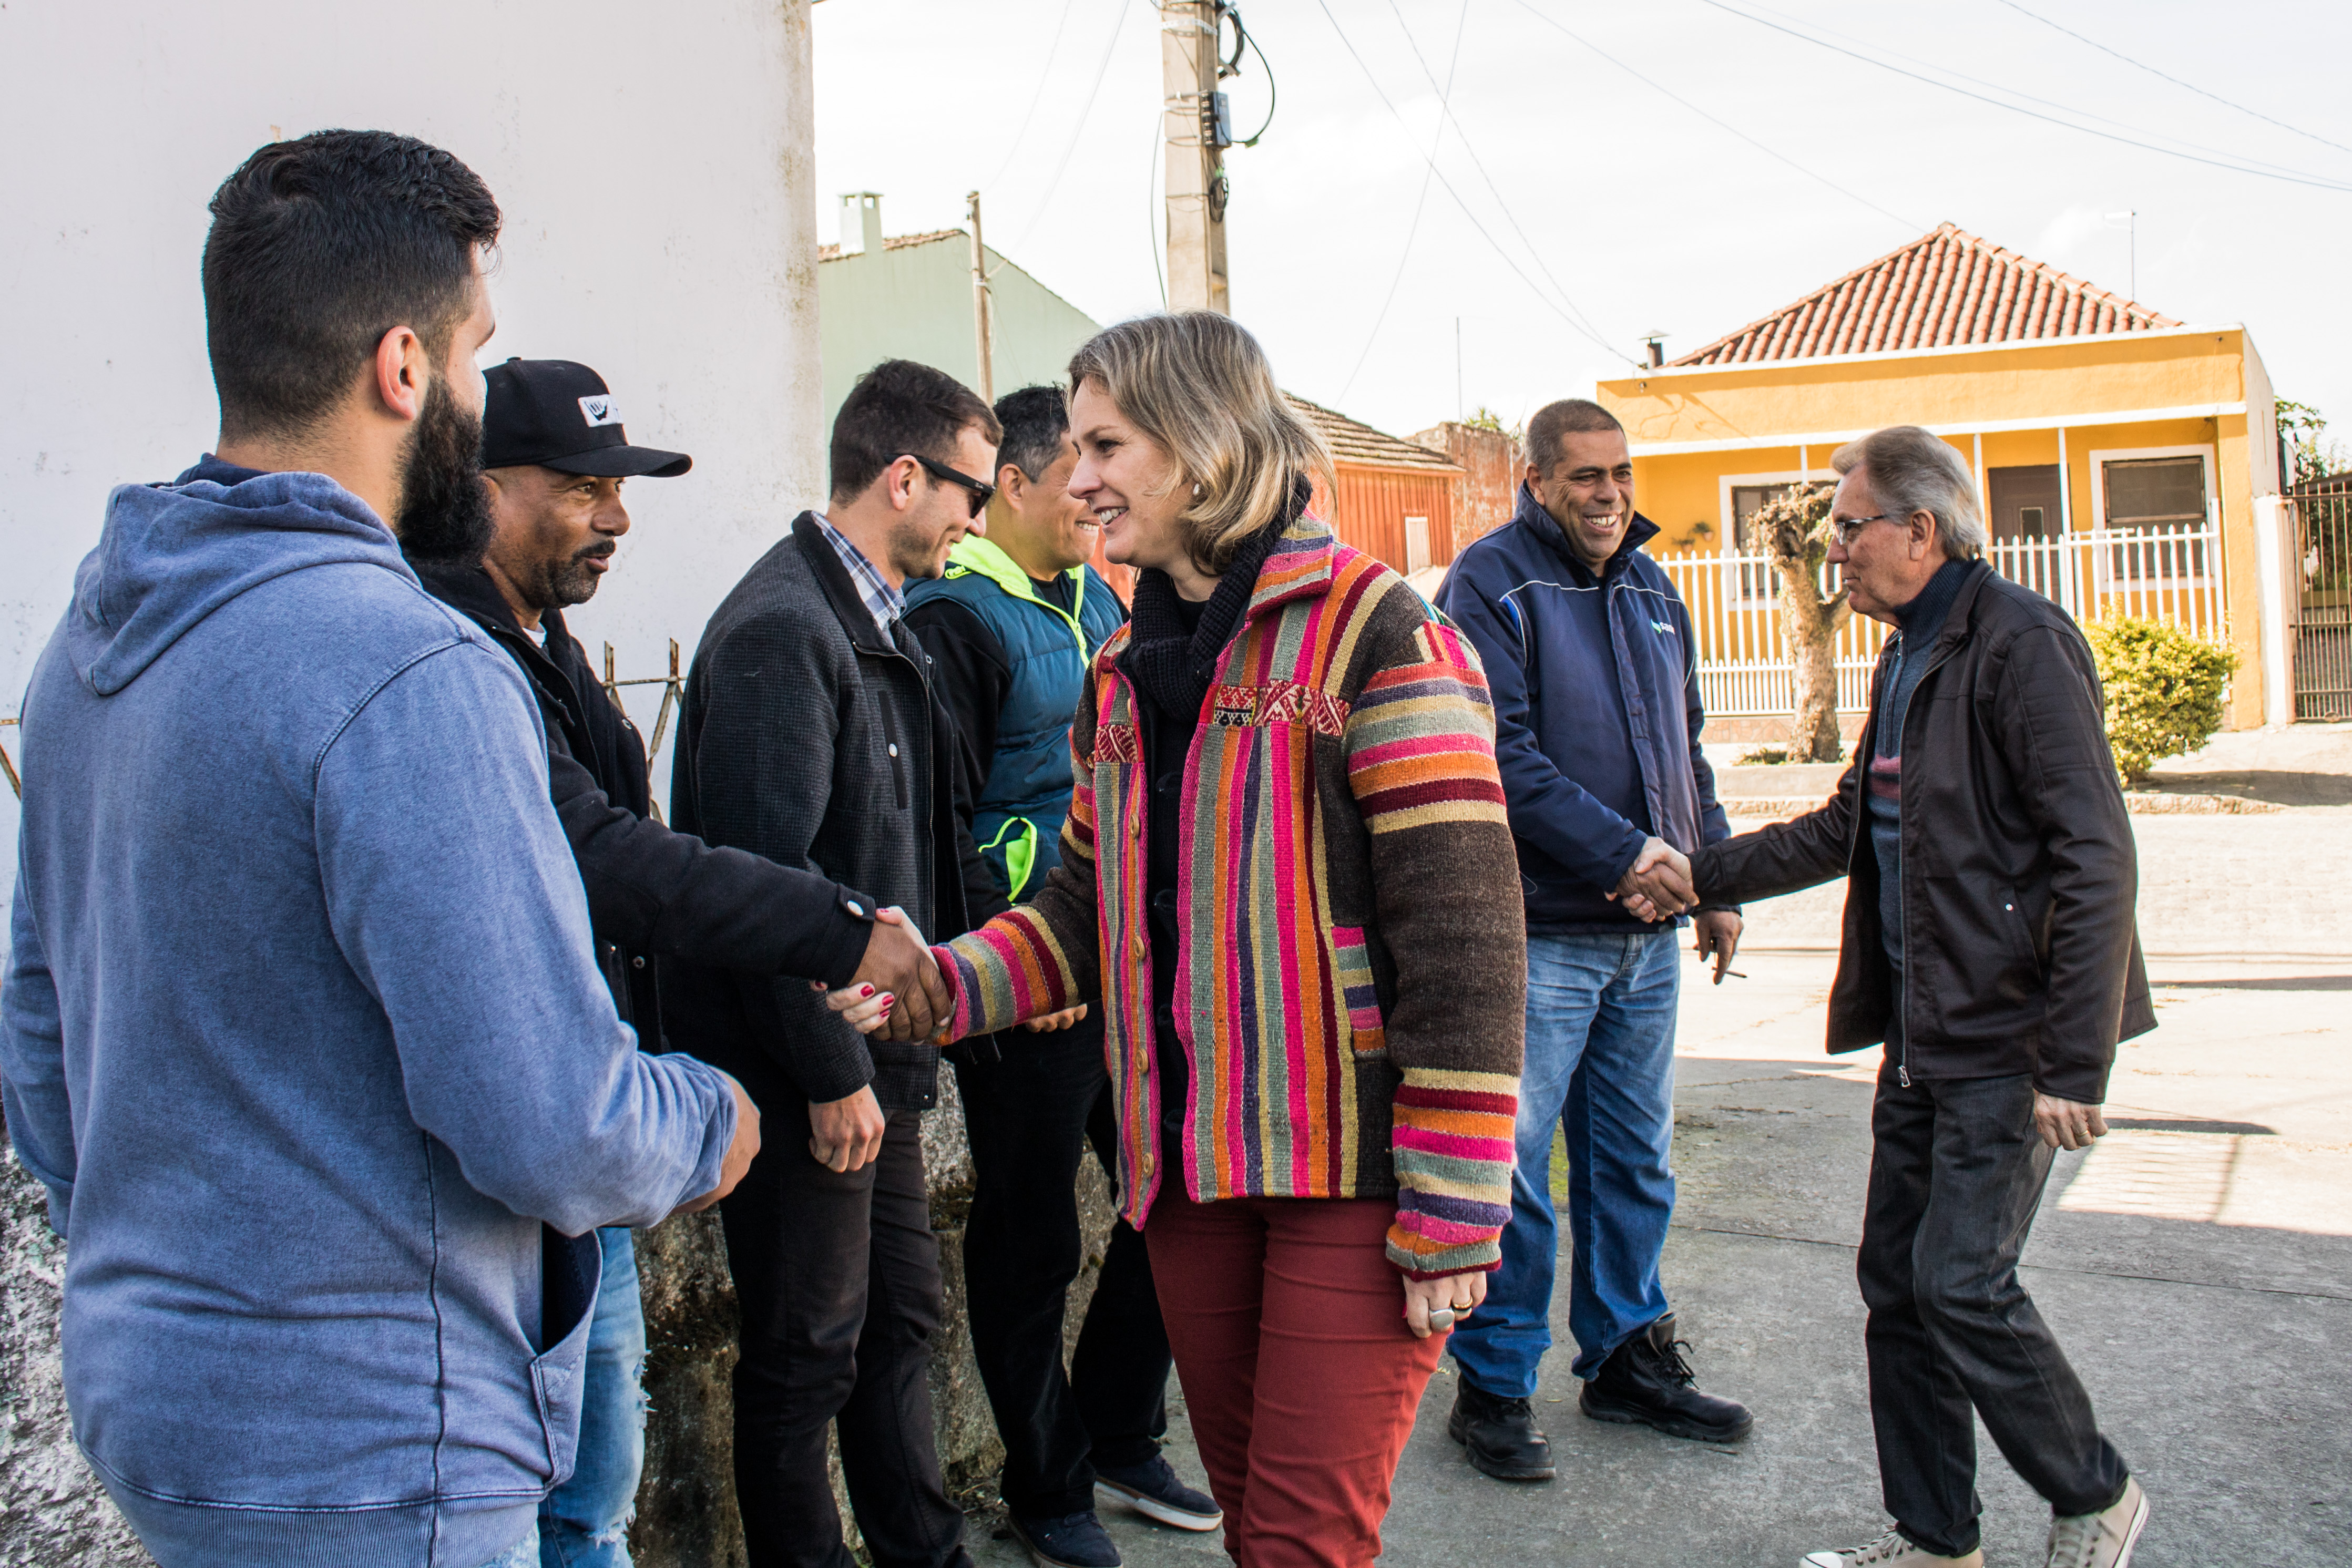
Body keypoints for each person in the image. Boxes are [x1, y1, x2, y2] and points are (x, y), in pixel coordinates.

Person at [0, 131, 756, 1568]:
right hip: (370, 1445)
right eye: (476, 352)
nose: (474, 388)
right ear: (403, 369)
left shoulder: (89, 640)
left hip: (156, 1401)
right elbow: (551, 1119)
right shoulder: (405, 669)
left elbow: (40, 1057)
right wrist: (710, 1119)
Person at [838, 312, 1526, 1568]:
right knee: (1257, 1527)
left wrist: (1455, 1207)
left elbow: (1467, 944)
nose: (1077, 474)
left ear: (1204, 446)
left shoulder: (1378, 633)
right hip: (1190, 1179)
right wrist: (935, 981)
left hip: (1352, 1181)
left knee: (1303, 1544)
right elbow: (1078, 915)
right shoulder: (1124, 662)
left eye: (1107, 442)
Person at [404, 355, 949, 1568]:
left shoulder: (539, 644)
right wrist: (837, 951)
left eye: (620, 487)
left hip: (587, 1148)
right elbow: (615, 859)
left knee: (596, 1493)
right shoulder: (450, 657)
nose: (617, 517)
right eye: (583, 487)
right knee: (765, 1378)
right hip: (506, 1165)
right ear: (481, 488)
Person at [1667, 426, 2152, 1568]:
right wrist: (1696, 871)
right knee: (1899, 1288)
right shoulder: (1904, 654)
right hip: (1925, 1035)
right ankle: (1938, 1545)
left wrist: (2073, 1060)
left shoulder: (2017, 644)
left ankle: (2092, 1493)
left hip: (2006, 1037)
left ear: (1918, 531)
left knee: (1961, 1286)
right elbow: (1848, 826)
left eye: (1847, 525)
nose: (1832, 547)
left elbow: (2095, 854)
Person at [661, 358, 1007, 1568]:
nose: (978, 518)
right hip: (811, 1074)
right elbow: (761, 885)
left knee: (899, 1320)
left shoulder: (867, 617)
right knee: (804, 1354)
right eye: (970, 488)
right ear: (903, 475)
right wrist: (826, 1072)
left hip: (877, 1066)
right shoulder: (780, 631)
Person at [904, 386, 1213, 1568]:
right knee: (1029, 1241)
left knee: (1172, 1188)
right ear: (1023, 485)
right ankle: (1047, 1486)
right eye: (1073, 468)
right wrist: (1031, 952)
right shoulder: (956, 619)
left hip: (1118, 971)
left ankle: (1117, 1429)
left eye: (1105, 462)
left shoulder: (1095, 594)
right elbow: (941, 817)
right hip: (1028, 989)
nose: (1091, 493)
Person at [1431, 398, 1753, 1481]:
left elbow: (1685, 749)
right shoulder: (1489, 583)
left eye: (1619, 473)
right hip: (1543, 935)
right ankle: (1494, 1384)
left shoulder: (1654, 589)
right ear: (1534, 481)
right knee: (1513, 1170)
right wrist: (1622, 854)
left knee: (1632, 1159)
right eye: (1582, 477)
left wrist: (1708, 877)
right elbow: (1495, 754)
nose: (1608, 493)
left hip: (1648, 939)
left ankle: (1623, 1356)